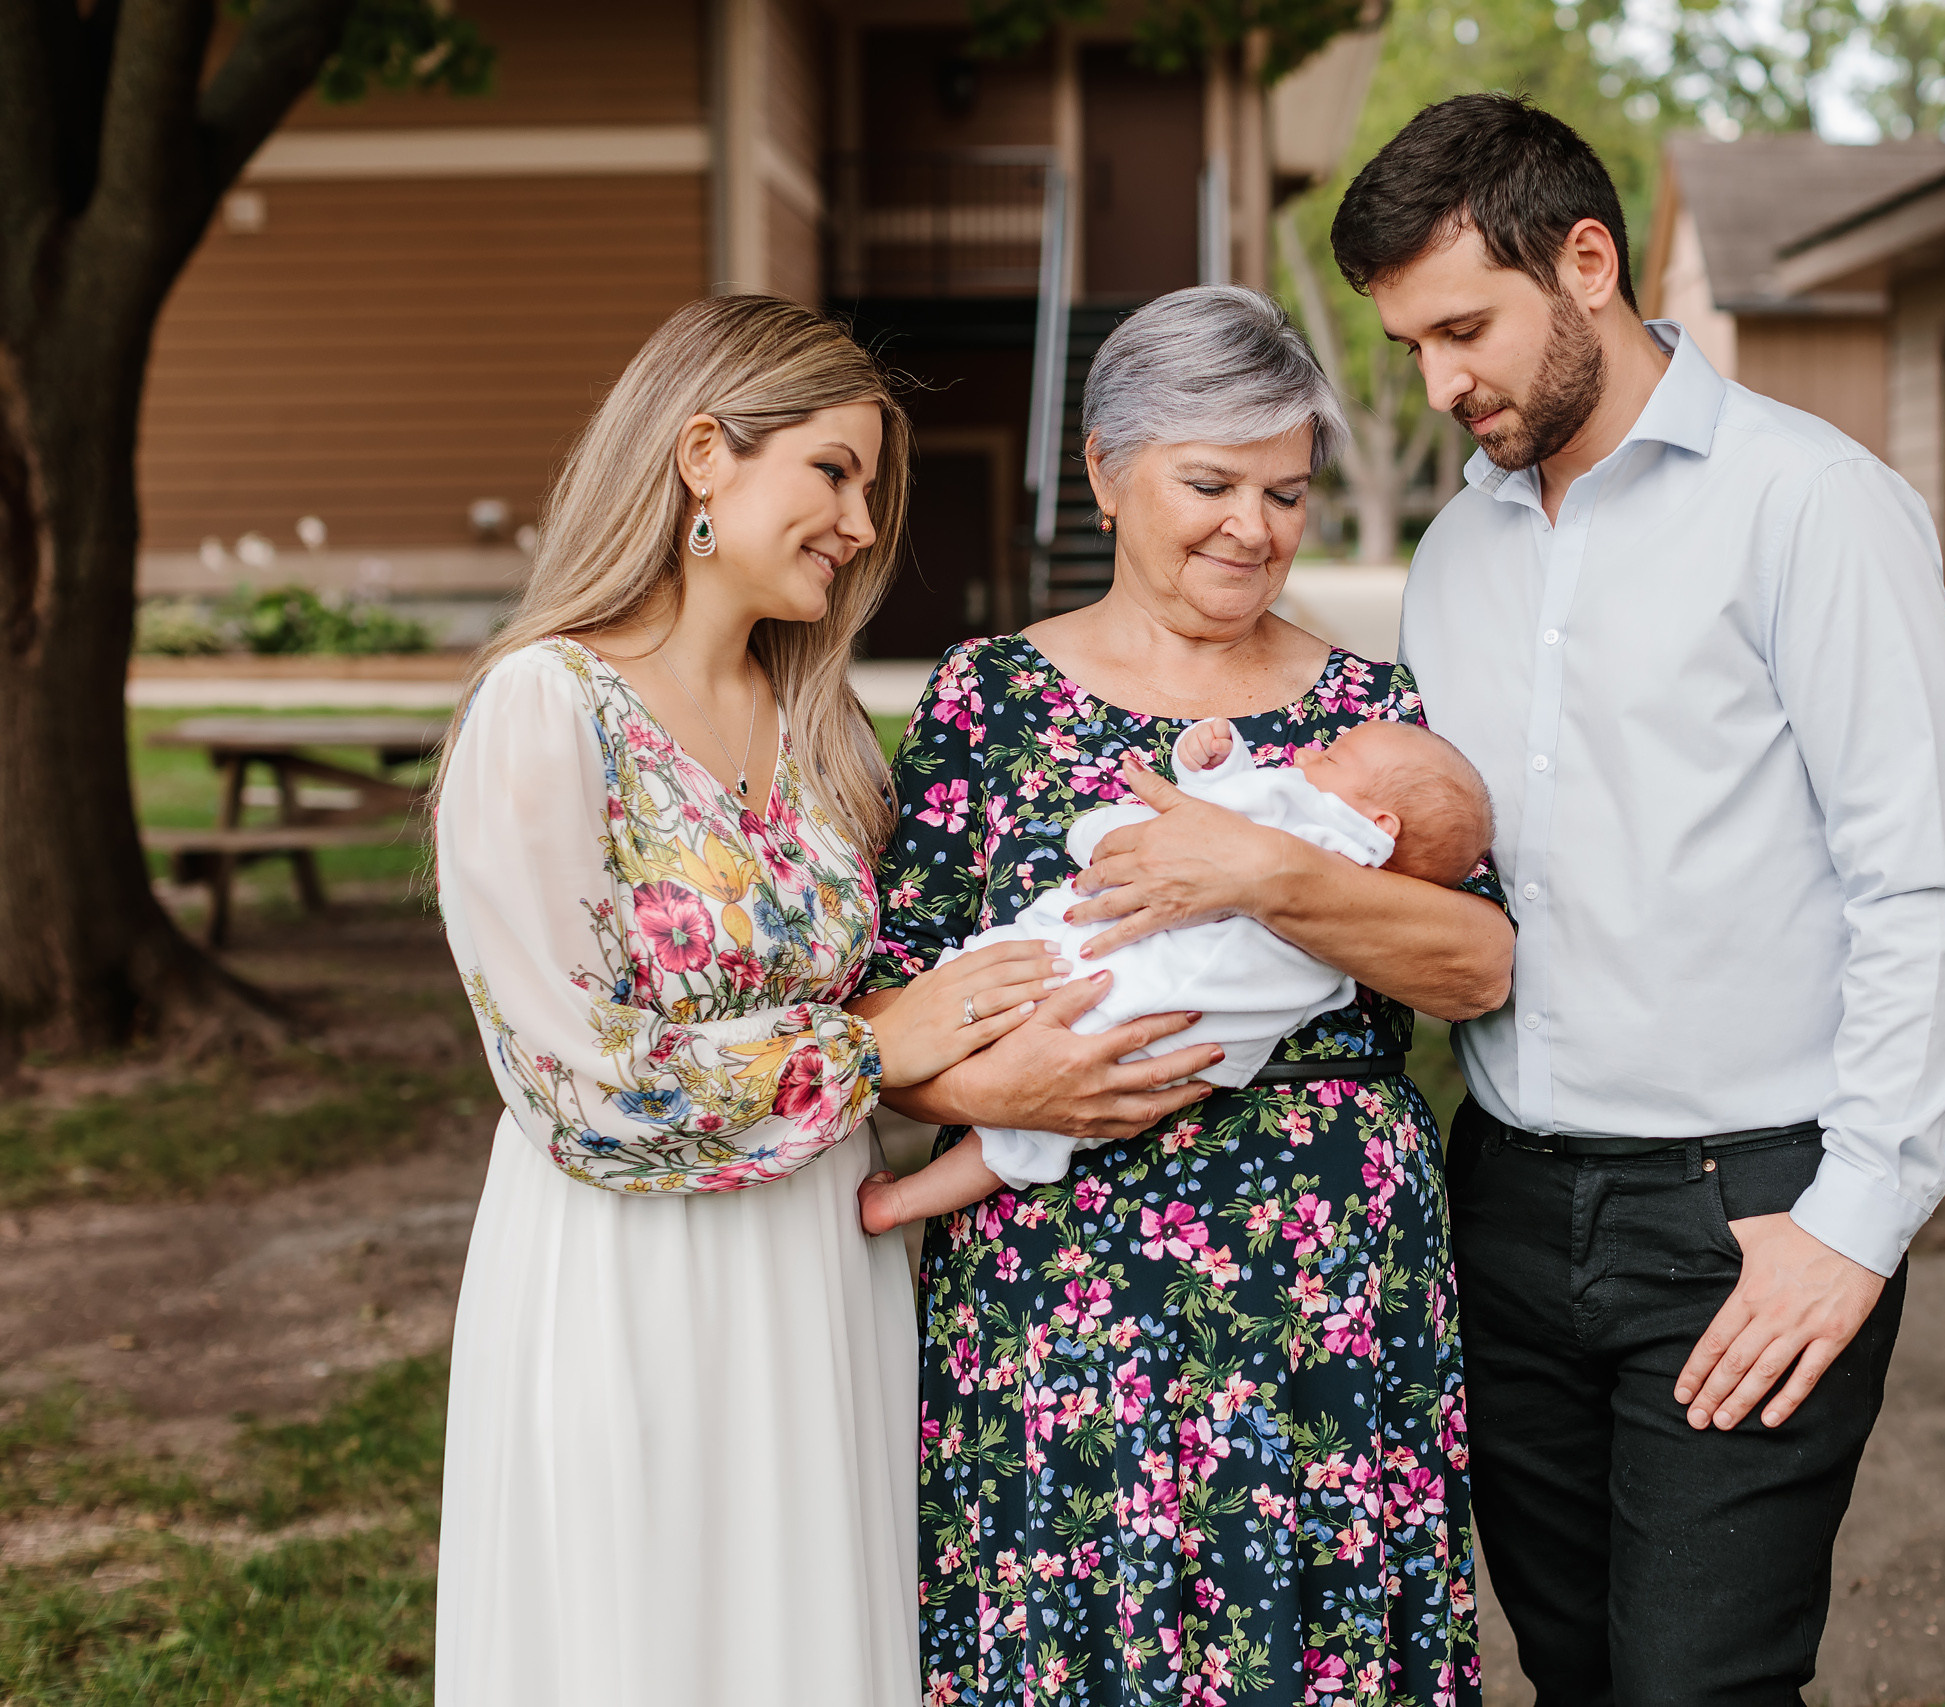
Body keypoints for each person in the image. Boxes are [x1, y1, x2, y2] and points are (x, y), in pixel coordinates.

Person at [1325, 96, 1945, 1704]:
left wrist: (1853, 1223)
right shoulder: (1455, 557)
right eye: (1411, 344)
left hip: (1741, 1206)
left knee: (1698, 1684)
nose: (1441, 384)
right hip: (1503, 1205)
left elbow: (1922, 890)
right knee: (1574, 1671)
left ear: (1589, 261)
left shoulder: (1810, 506)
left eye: (1464, 329)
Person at [855, 284, 1512, 1706]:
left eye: (1286, 491)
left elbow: (1477, 964)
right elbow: (885, 1004)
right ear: (1104, 469)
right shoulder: (990, 697)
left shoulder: (1369, 711)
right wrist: (987, 1092)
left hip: (1320, 1273)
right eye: (1210, 482)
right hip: (1060, 1278)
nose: (1254, 527)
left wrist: (1269, 873)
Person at [430, 295, 1070, 1706]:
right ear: (704, 450)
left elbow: (901, 984)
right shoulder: (548, 706)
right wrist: (868, 1048)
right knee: (652, 1638)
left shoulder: (819, 725)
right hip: (630, 1272)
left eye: (870, 486)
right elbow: (579, 1083)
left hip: (821, 1268)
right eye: (835, 471)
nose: (860, 520)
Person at [859, 715, 1494, 1225]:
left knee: (1012, 1026)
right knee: (1025, 1141)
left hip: (1149, 1015)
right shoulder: (983, 686)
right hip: (1163, 1044)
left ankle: (907, 1196)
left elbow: (1236, 817)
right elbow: (875, 1002)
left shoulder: (1340, 832)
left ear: (1380, 830)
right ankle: (904, 1202)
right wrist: (980, 1092)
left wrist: (1220, 790)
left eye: (1330, 760)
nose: (1305, 757)